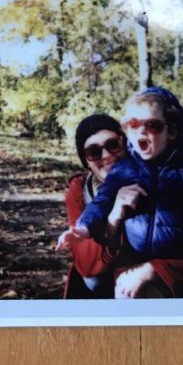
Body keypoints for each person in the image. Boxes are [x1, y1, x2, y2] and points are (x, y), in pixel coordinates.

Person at [73, 86, 183, 298]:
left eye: (152, 125)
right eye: (133, 124)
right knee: (123, 291)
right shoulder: (123, 172)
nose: (141, 130)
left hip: (175, 262)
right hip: (130, 266)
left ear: (172, 132)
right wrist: (86, 226)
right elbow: (101, 203)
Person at [57, 114, 130, 298]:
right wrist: (113, 220)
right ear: (86, 161)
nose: (106, 156)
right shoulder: (80, 189)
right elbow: (86, 265)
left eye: (113, 144)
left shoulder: (155, 178)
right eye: (94, 151)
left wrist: (149, 271)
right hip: (100, 291)